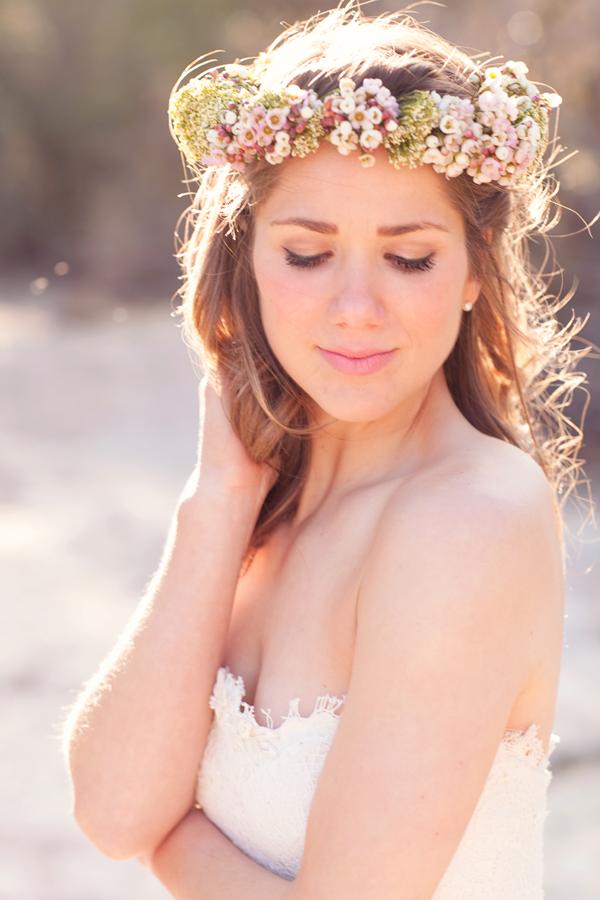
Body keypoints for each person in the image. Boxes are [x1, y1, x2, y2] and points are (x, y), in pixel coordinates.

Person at [62, 3, 593, 897]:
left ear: (472, 271)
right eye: (308, 254)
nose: (355, 307)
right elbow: (111, 808)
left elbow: (139, 834)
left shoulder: (473, 519)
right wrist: (218, 501)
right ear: (247, 259)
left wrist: (170, 842)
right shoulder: (260, 504)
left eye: (409, 258)